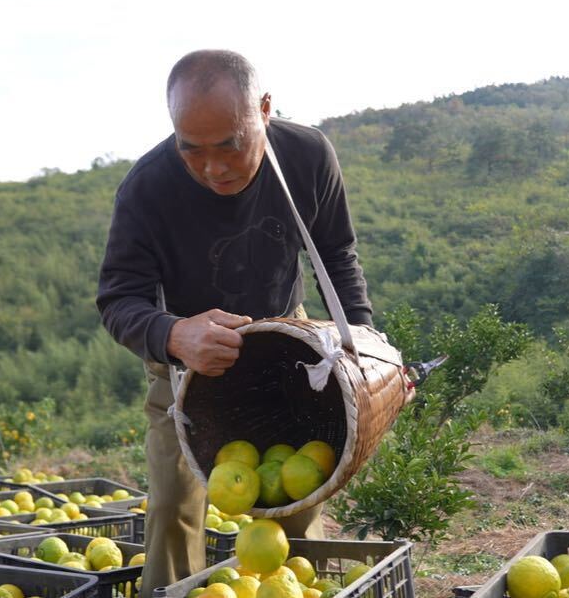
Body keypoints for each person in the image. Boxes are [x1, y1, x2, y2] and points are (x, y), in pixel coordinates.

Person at [96, 49, 372, 595]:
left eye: (230, 144)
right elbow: (118, 299)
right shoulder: (148, 188)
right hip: (188, 362)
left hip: (288, 352)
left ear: (264, 110)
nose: (213, 167)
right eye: (191, 149)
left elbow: (336, 254)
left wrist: (359, 337)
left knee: (296, 498)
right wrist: (175, 334)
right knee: (174, 505)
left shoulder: (307, 156)